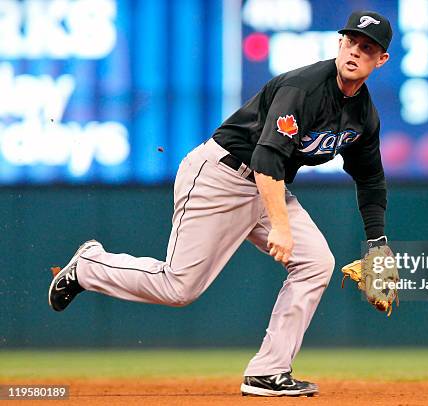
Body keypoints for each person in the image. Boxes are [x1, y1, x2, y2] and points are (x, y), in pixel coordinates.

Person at [48, 10, 392, 397]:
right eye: (350, 41)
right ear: (339, 42)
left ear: (381, 60)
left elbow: (370, 178)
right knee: (179, 287)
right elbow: (266, 158)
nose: (355, 51)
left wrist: (377, 244)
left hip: (267, 185)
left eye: (367, 48)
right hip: (222, 175)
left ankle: (268, 371)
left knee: (316, 263)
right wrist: (280, 226)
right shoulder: (306, 88)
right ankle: (89, 266)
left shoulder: (364, 116)